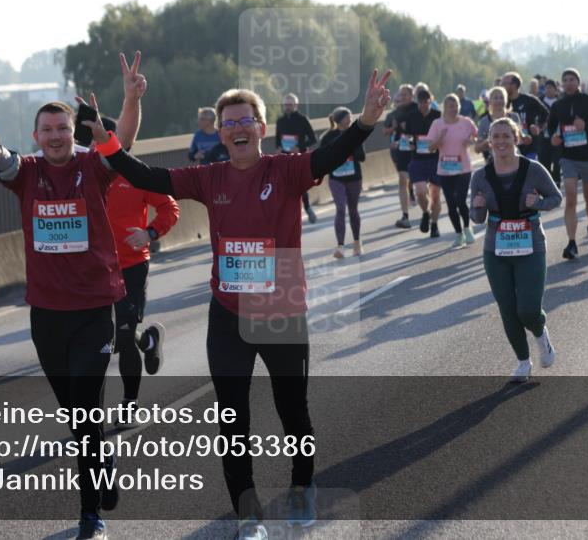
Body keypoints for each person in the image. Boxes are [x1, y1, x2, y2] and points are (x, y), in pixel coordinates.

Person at [86, 69, 393, 540]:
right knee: (232, 419)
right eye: (228, 123)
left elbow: (331, 155)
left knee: (292, 410)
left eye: (245, 120)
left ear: (261, 127)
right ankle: (248, 516)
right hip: (228, 312)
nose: (237, 128)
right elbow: (146, 175)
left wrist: (366, 121)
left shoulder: (286, 170)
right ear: (221, 133)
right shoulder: (209, 177)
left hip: (280, 308)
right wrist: (107, 143)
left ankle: (302, 485)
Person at [0, 52, 145, 540]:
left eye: (63, 128)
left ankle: (90, 515)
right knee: (76, 417)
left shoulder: (93, 165)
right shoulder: (25, 172)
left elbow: (124, 141)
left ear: (73, 132)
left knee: (84, 412)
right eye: (48, 130)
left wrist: (130, 99)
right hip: (46, 315)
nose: (57, 135)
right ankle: (102, 458)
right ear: (37, 137)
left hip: (94, 310)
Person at [470, 117, 561, 382]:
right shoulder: (480, 176)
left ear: (516, 138)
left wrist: (538, 203)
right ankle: (523, 362)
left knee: (528, 310)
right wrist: (478, 207)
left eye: (506, 136)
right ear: (489, 141)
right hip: (496, 250)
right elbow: (476, 218)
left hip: (531, 245)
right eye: (495, 137)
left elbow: (556, 197)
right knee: (508, 310)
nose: (501, 141)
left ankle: (541, 334)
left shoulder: (533, 169)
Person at [105, 116, 180, 417]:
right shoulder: (83, 177)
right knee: (108, 335)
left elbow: (170, 207)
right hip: (95, 270)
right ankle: (148, 341)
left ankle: (129, 404)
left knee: (123, 335)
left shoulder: (137, 174)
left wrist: (149, 232)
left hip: (132, 266)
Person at [546, 68, 588, 260]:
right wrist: (553, 138)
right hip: (568, 158)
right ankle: (572, 243)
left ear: (578, 82)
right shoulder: (558, 105)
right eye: (565, 80)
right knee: (571, 199)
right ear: (562, 83)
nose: (568, 83)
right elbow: (551, 130)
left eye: (572, 79)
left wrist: (587, 127)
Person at [424, 94, 478, 247]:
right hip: (445, 170)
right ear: (444, 108)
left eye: (455, 106)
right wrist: (440, 139)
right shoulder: (437, 124)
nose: (453, 109)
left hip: (463, 168)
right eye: (450, 106)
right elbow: (430, 147)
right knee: (451, 204)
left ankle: (467, 228)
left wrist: (471, 141)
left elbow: (476, 136)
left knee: (461, 200)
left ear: (459, 107)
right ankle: (459, 234)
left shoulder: (466, 122)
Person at [320, 107, 365, 258]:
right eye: (347, 119)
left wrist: (350, 149)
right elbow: (322, 158)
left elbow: (362, 157)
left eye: (350, 119)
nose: (350, 121)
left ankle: (357, 243)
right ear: (339, 121)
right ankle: (340, 246)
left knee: (353, 210)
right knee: (340, 209)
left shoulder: (356, 134)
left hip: (354, 177)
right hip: (336, 178)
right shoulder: (328, 137)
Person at [405, 83, 443, 237]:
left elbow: (444, 134)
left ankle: (434, 225)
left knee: (435, 195)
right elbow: (407, 135)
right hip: (418, 159)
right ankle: (425, 213)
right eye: (420, 103)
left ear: (430, 101)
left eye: (425, 102)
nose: (422, 106)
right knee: (420, 192)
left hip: (435, 159)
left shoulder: (437, 116)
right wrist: (409, 143)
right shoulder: (412, 116)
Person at [275, 93, 318, 223]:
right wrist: (278, 148)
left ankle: (307, 207)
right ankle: (288, 214)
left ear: (296, 105)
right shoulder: (280, 121)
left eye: (290, 104)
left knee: (300, 185)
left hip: (299, 157)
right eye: (286, 104)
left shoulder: (302, 119)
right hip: (285, 157)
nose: (288, 106)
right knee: (285, 186)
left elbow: (313, 139)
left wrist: (299, 147)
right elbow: (277, 139)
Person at [384, 84, 415, 228]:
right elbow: (386, 131)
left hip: (418, 151)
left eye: (405, 94)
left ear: (412, 96)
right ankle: (405, 215)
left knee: (420, 184)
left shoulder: (418, 110)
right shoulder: (394, 114)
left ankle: (426, 211)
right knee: (403, 180)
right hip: (402, 150)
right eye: (400, 95)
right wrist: (394, 129)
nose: (402, 97)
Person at [501, 71, 549, 161]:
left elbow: (546, 113)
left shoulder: (529, 100)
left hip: (529, 148)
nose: (501, 86)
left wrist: (538, 126)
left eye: (504, 83)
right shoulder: (501, 103)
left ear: (514, 85)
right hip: (508, 149)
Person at [475, 86, 522, 165]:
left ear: (506, 100)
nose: (499, 100)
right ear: (490, 101)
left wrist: (525, 137)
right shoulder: (484, 121)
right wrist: (489, 141)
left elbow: (519, 140)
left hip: (514, 159)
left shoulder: (514, 117)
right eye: (496, 98)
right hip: (493, 162)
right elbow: (477, 149)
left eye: (501, 97)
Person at [537, 80, 563, 184]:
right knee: (544, 161)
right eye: (546, 88)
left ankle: (557, 181)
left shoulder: (560, 102)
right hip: (543, 137)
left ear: (555, 90)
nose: (548, 90)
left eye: (550, 88)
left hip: (557, 136)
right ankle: (548, 183)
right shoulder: (539, 102)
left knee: (557, 161)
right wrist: (540, 125)